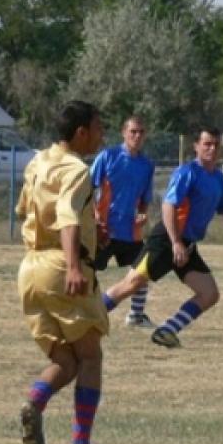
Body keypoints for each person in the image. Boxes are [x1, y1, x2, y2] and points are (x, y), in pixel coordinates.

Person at [16, 100, 117, 444]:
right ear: (81, 132)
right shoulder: (76, 169)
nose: (102, 136)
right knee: (90, 356)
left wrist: (91, 231)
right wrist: (74, 265)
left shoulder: (37, 162)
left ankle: (34, 402)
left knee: (66, 359)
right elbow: (67, 217)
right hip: (61, 266)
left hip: (31, 268)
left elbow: (25, 211)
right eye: (98, 128)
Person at [100, 128, 223, 348]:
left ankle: (167, 331)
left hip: (186, 245)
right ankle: (84, 319)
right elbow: (168, 206)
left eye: (216, 145)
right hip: (166, 240)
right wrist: (175, 242)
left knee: (209, 294)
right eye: (207, 144)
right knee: (130, 285)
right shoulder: (187, 172)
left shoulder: (219, 179)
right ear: (196, 146)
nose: (212, 148)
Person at [92, 116, 157, 328]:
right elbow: (87, 188)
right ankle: (78, 311)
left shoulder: (146, 165)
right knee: (86, 272)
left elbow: (144, 200)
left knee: (142, 272)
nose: (137, 136)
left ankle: (136, 316)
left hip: (130, 230)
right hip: (104, 230)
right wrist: (94, 216)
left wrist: (142, 214)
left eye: (141, 132)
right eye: (133, 132)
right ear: (123, 133)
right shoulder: (107, 156)